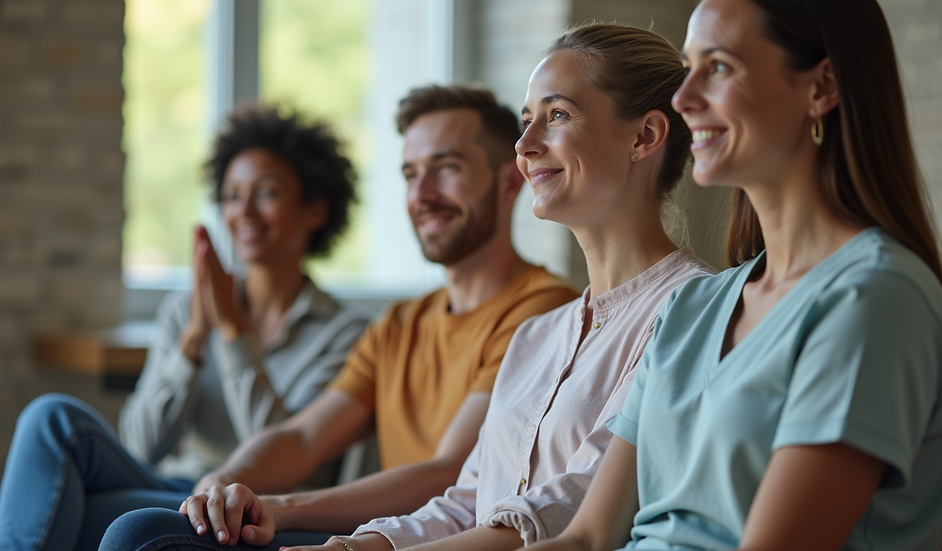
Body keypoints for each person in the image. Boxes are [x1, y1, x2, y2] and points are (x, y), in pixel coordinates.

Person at [99, 24, 712, 551]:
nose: (525, 148)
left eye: (557, 115)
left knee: (140, 532)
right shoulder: (538, 337)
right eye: (527, 121)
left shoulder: (692, 309)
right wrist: (346, 536)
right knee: (142, 528)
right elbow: (464, 498)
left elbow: (571, 510)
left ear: (644, 136)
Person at [523, 1, 942, 551]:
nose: (683, 98)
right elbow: (588, 540)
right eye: (688, 66)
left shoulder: (876, 297)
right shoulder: (691, 308)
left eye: (718, 67)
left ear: (821, 88)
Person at [97, 85, 581, 550]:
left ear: (509, 180)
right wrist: (224, 479)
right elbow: (301, 438)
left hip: (423, 539)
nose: (423, 194)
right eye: (411, 174)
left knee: (137, 531)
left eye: (446, 168)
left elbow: (449, 471)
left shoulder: (541, 310)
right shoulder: (398, 324)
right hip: (370, 532)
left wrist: (279, 507)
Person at [0, 105, 370, 551]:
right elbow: (140, 446)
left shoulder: (347, 334)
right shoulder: (186, 311)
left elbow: (290, 457)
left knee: (65, 507)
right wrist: (192, 342)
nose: (243, 211)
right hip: (176, 485)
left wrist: (233, 336)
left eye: (266, 193)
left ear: (316, 210)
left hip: (254, 508)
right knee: (50, 417)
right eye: (231, 195)